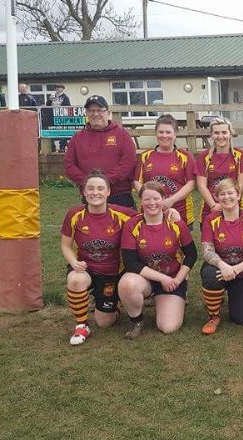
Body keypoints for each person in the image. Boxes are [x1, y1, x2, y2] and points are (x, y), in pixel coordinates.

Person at [60, 170, 135, 345]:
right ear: (84, 192)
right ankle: (82, 324)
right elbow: (65, 245)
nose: (95, 193)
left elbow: (149, 216)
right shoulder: (74, 214)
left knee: (105, 323)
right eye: (91, 188)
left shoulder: (123, 215)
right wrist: (74, 262)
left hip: (111, 274)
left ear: (108, 191)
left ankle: (113, 302)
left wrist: (170, 213)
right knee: (75, 280)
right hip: (85, 269)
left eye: (100, 188)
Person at [118, 181, 197, 339]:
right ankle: (137, 321)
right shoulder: (132, 225)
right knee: (127, 284)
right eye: (147, 199)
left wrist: (178, 280)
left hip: (172, 280)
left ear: (163, 199)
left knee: (168, 327)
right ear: (141, 201)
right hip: (145, 279)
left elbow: (192, 254)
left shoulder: (175, 223)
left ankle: (168, 299)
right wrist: (163, 278)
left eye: (156, 198)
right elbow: (130, 263)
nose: (152, 203)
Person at [199, 178, 243, 335]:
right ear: (216, 198)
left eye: (230, 193)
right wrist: (223, 265)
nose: (226, 197)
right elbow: (207, 251)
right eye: (222, 194)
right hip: (221, 270)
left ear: (239, 194)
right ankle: (213, 315)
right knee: (209, 274)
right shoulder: (211, 219)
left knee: (242, 319)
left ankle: (239, 294)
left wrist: (235, 269)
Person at [64, 95, 138, 209]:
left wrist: (105, 181)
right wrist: (89, 183)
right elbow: (69, 164)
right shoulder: (77, 138)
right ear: (87, 113)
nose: (95, 114)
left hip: (119, 195)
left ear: (108, 112)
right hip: (91, 195)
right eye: (91, 111)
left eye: (99, 110)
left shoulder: (122, 134)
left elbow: (128, 162)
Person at [135, 114, 197, 228]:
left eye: (168, 132)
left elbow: (191, 183)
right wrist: (150, 200)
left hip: (180, 211)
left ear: (175, 134)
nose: (164, 136)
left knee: (180, 244)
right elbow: (137, 182)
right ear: (156, 133)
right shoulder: (145, 156)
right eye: (161, 132)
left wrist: (171, 200)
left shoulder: (185, 157)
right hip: (150, 212)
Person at [194, 117, 243, 229]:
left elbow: (241, 184)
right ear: (211, 135)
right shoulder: (204, 157)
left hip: (235, 206)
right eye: (216, 133)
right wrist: (214, 205)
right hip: (211, 207)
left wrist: (229, 204)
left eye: (224, 132)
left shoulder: (240, 156)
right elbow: (201, 185)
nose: (220, 136)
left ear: (230, 133)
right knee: (210, 244)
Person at [46, 84, 72, 153]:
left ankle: (62, 147)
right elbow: (47, 105)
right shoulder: (52, 96)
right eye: (56, 87)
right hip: (52, 116)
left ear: (63, 89)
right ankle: (52, 147)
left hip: (61, 117)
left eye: (59, 88)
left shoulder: (65, 97)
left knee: (62, 132)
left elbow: (68, 107)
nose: (57, 89)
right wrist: (49, 99)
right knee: (51, 131)